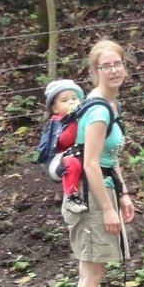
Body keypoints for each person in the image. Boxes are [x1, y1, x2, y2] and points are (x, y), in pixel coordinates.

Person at [64, 39, 136, 287]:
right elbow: (91, 163)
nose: (113, 70)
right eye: (105, 66)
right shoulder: (97, 109)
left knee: (92, 271)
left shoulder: (110, 104)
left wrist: (123, 193)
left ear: (125, 65)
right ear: (94, 71)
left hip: (101, 191)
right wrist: (107, 207)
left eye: (117, 63)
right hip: (90, 197)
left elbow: (110, 157)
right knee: (91, 273)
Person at [43, 78, 88, 212]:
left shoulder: (80, 117)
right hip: (58, 161)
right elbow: (65, 140)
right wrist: (73, 121)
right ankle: (71, 197)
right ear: (55, 108)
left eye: (74, 98)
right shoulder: (57, 122)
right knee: (72, 162)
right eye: (64, 100)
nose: (71, 102)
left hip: (75, 155)